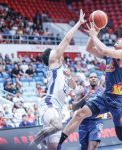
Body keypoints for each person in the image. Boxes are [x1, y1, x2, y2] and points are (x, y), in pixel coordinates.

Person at [57, 22, 122, 150]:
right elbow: (89, 49)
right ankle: (58, 143)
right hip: (106, 96)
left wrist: (95, 35)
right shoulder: (109, 55)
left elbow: (103, 49)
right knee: (80, 114)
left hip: (120, 102)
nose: (119, 39)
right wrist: (94, 34)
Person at [32, 9, 86, 150]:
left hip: (59, 109)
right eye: (53, 52)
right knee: (57, 126)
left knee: (54, 147)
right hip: (49, 103)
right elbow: (67, 39)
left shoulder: (63, 70)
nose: (57, 52)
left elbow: (73, 87)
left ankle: (42, 142)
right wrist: (79, 23)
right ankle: (36, 141)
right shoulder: (53, 64)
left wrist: (70, 76)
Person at [72, 72, 104, 150]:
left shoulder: (103, 91)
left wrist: (110, 112)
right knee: (84, 148)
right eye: (91, 77)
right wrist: (85, 97)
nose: (93, 78)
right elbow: (74, 107)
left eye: (95, 77)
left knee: (93, 146)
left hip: (97, 121)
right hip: (84, 122)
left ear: (97, 79)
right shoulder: (83, 90)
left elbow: (108, 104)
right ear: (88, 80)